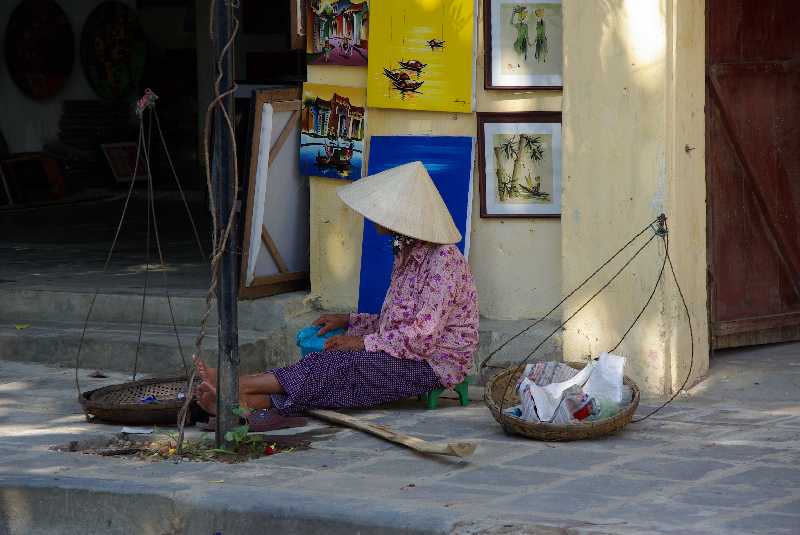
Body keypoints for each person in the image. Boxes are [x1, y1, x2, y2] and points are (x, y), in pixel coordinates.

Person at [194, 161, 479, 425]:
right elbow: (395, 322)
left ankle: (232, 385)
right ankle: (243, 401)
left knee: (339, 365)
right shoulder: (406, 254)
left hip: (433, 364)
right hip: (406, 353)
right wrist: (348, 321)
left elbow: (421, 338)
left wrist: (361, 342)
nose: (373, 216)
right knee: (331, 368)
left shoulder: (443, 261)